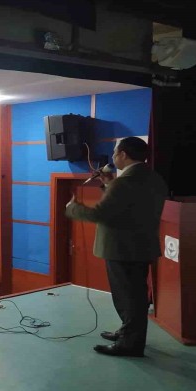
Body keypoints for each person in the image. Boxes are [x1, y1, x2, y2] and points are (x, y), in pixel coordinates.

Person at [65, 137, 167, 358]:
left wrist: (73, 208)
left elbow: (101, 214)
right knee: (135, 295)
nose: (112, 157)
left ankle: (130, 344)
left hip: (122, 248)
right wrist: (108, 183)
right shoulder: (153, 178)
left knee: (128, 297)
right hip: (141, 246)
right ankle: (128, 332)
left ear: (123, 154)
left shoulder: (124, 183)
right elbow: (127, 207)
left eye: (114, 152)